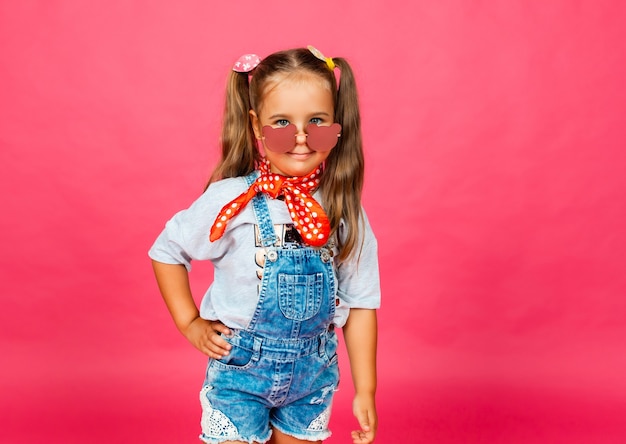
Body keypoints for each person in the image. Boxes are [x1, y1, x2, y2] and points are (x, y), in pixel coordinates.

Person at [149, 46, 380, 444]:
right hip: (240, 372)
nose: (302, 138)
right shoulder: (231, 199)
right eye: (282, 124)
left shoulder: (343, 208)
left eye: (318, 122)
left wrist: (366, 390)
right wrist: (189, 323)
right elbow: (167, 251)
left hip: (312, 376)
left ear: (337, 125)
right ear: (256, 127)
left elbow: (360, 304)